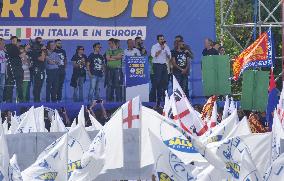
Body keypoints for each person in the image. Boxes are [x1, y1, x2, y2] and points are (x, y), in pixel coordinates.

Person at [151, 34, 171, 106]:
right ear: (158, 40)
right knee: (158, 83)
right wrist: (161, 49)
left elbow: (169, 57)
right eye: (161, 39)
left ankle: (165, 99)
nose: (162, 40)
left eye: (163, 39)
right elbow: (154, 55)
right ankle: (157, 101)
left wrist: (167, 53)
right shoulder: (154, 46)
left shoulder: (166, 47)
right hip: (157, 65)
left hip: (164, 65)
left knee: (165, 82)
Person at [4, 36, 24, 102]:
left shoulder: (13, 47)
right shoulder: (11, 46)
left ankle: (10, 100)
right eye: (14, 40)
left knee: (14, 85)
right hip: (14, 68)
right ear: (12, 40)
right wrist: (25, 50)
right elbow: (20, 55)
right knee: (16, 85)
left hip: (15, 67)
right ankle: (17, 100)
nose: (15, 41)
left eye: (16, 40)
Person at [0, 38, 7, 102]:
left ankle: (1, 101)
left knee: (2, 87)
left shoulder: (3, 52)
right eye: (2, 43)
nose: (3, 44)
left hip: (3, 72)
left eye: (3, 43)